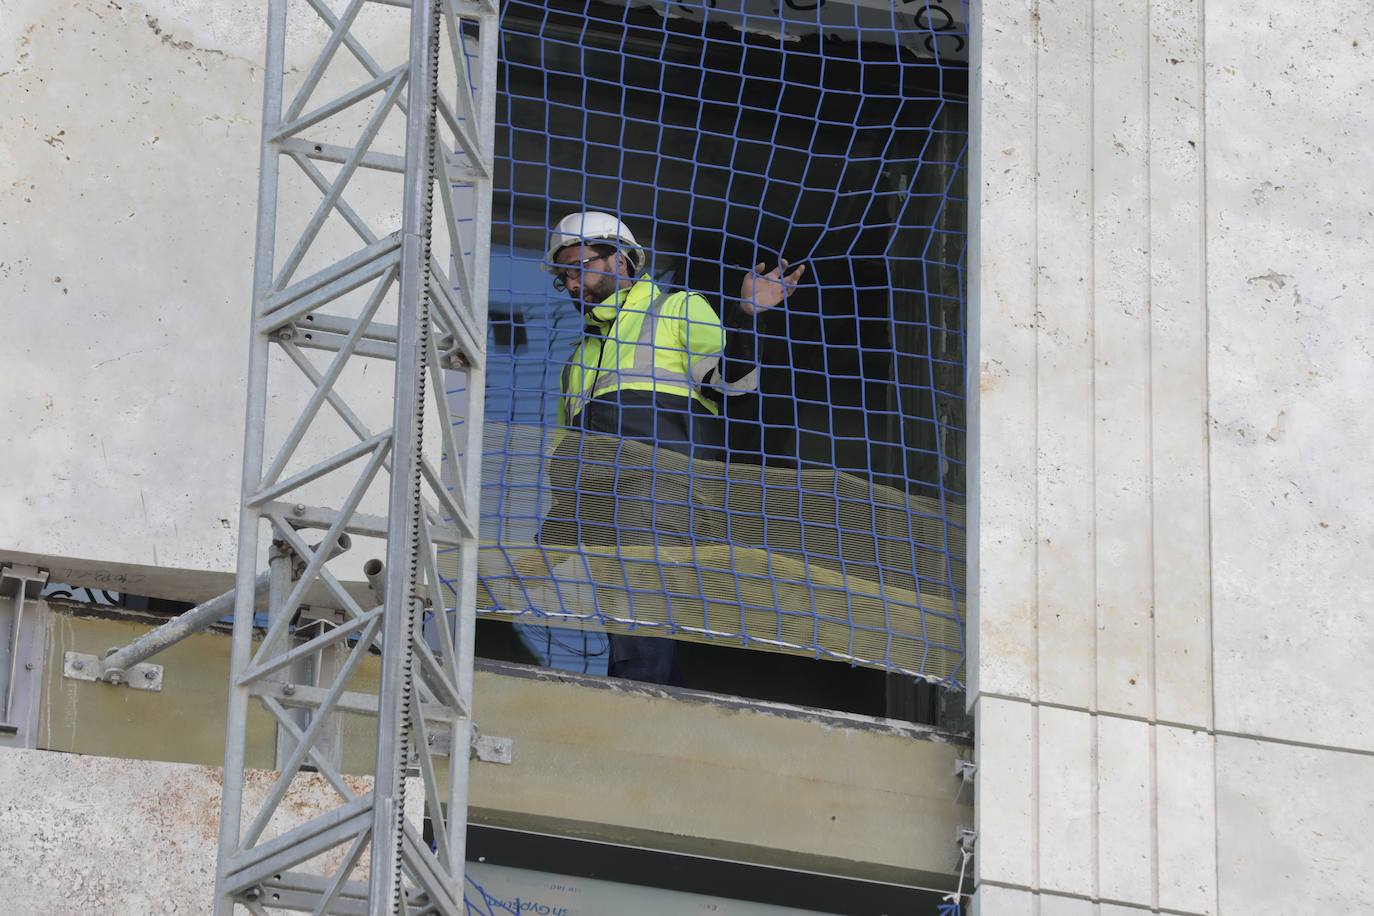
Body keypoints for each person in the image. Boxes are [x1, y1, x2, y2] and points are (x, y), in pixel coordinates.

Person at [540, 210, 804, 684]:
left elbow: (735, 382)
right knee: (625, 627)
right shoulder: (577, 360)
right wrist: (553, 536)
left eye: (579, 269)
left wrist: (748, 317)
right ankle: (633, 705)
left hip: (662, 501)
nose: (574, 286)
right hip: (603, 516)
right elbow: (569, 460)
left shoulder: (675, 309)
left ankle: (641, 711)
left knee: (644, 616)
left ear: (621, 260)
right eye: (564, 278)